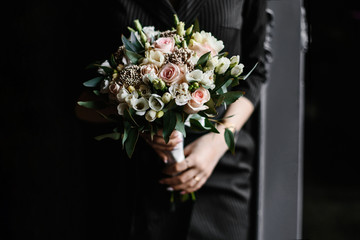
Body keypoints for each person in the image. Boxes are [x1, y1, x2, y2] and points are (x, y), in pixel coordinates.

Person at [76, 0, 268, 239]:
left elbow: (256, 72)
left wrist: (216, 144)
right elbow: (78, 101)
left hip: (218, 176)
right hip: (130, 184)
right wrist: (137, 118)